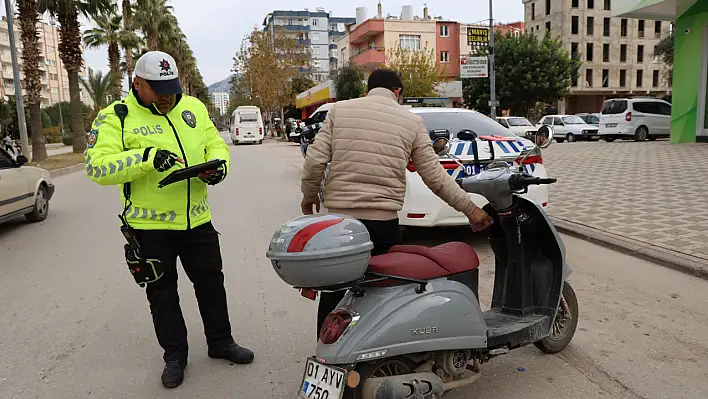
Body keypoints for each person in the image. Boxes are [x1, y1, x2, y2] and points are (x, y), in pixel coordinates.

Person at [83, 51, 254, 389]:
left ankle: (221, 342)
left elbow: (216, 146)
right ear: (137, 84)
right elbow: (96, 167)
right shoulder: (115, 117)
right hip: (150, 228)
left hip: (197, 221)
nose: (167, 96)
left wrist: (218, 167)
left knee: (211, 283)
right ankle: (175, 356)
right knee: (163, 294)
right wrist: (146, 158)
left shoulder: (193, 108)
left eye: (172, 88)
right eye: (158, 89)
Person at [300, 68, 494, 339]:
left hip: (340, 223)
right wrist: (470, 209)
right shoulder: (410, 121)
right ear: (398, 92)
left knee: (335, 289)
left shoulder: (338, 111)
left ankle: (326, 348)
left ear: (368, 90)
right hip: (382, 223)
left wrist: (309, 197)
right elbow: (435, 177)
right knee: (381, 286)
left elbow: (314, 161)